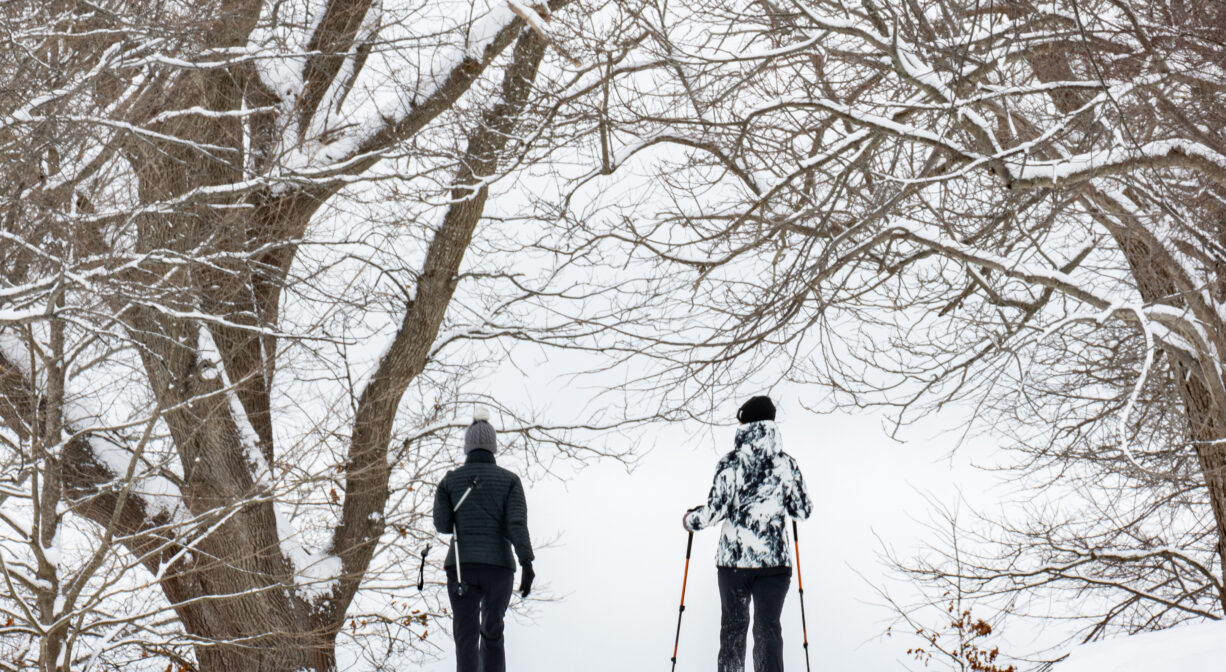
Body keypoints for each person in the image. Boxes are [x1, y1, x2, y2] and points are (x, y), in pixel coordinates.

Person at [683, 395, 813, 672]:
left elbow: (715, 511)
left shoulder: (730, 464)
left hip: (734, 564)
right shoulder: (786, 465)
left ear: (744, 423)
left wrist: (692, 519)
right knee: (768, 630)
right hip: (775, 565)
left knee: (733, 629)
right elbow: (802, 511)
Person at [433, 408, 535, 672]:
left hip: (461, 566)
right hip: (499, 568)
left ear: (468, 447)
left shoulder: (450, 481)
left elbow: (443, 526)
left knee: (465, 635)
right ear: (493, 447)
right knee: (493, 632)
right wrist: (527, 562)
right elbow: (516, 524)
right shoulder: (510, 480)